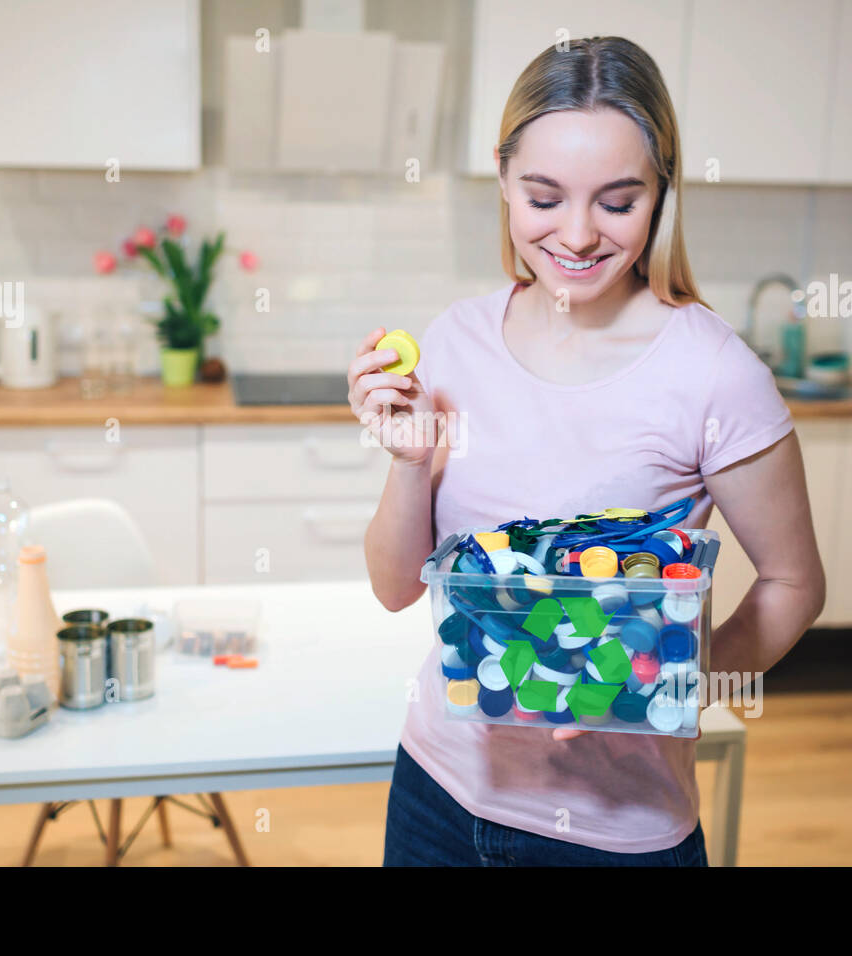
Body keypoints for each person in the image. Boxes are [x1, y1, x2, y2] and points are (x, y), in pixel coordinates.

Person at [349, 36, 825, 866]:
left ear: (660, 193)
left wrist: (661, 679)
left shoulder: (713, 373)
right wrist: (407, 461)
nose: (577, 234)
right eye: (543, 196)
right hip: (437, 793)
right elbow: (396, 588)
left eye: (617, 201)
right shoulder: (455, 342)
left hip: (616, 833)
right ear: (502, 178)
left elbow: (794, 584)